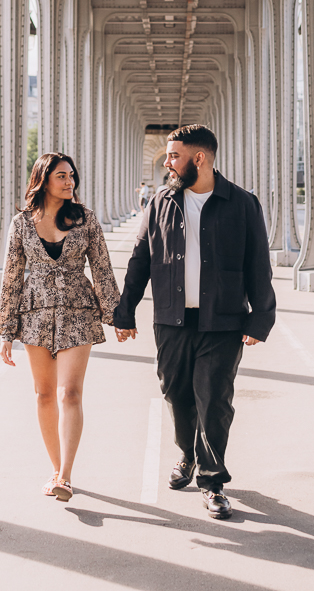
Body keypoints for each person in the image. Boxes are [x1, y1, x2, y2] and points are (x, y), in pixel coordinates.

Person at [113, 124, 275, 520]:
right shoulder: (162, 202)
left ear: (198, 158)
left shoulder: (242, 204)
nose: (167, 163)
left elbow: (259, 264)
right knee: (176, 394)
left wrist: (260, 318)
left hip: (222, 321)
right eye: (168, 155)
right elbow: (140, 259)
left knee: (215, 400)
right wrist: (125, 309)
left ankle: (213, 480)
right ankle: (187, 453)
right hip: (171, 319)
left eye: (174, 156)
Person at [0, 152, 119, 502]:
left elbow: (102, 269)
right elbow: (11, 278)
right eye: (62, 176)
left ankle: (65, 476)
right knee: (44, 394)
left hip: (78, 312)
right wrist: (6, 331)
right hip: (34, 314)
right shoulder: (21, 224)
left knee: (70, 393)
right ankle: (55, 468)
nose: (70, 182)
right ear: (44, 180)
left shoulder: (86, 220)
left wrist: (116, 316)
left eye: (72, 176)